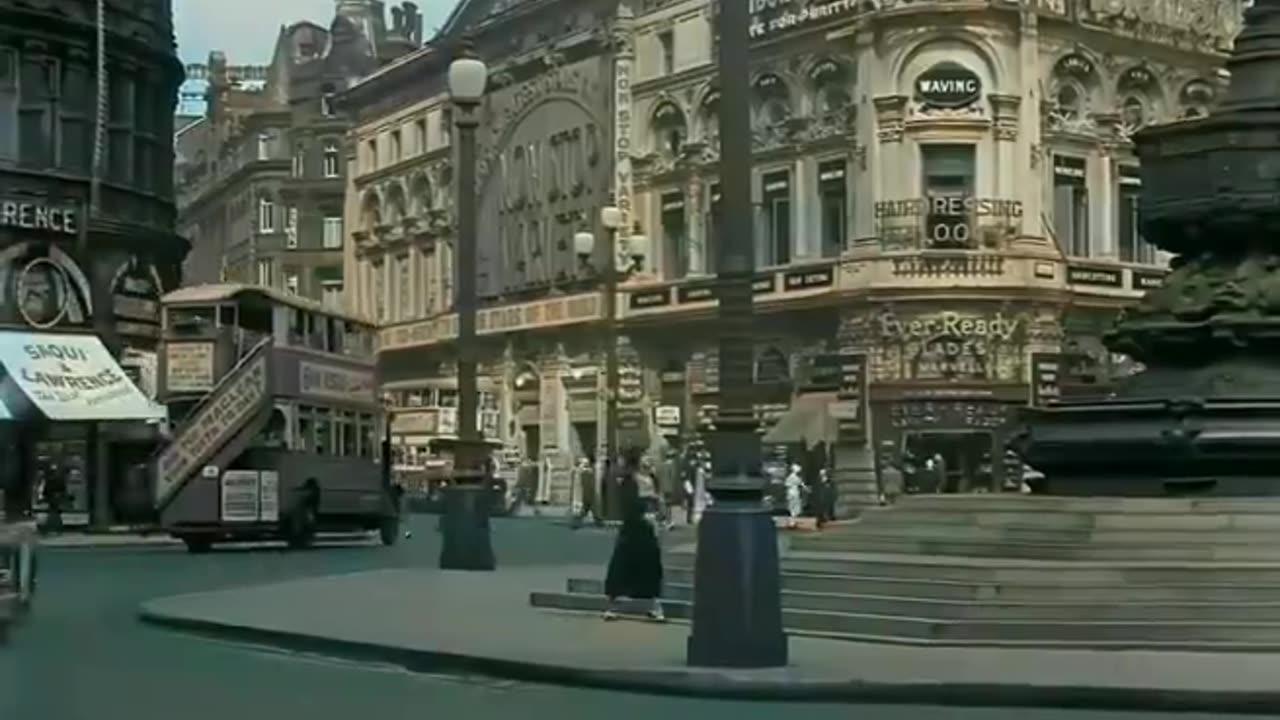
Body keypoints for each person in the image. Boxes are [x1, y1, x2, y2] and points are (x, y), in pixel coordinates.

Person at [602, 447, 665, 622]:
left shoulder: (652, 479)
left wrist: (659, 515)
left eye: (651, 458)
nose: (649, 461)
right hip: (633, 528)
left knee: (652, 568)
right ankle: (611, 606)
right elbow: (628, 504)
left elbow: (659, 501)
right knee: (621, 565)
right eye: (646, 458)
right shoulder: (630, 480)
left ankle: (655, 606)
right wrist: (644, 512)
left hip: (649, 529)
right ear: (638, 462)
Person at [783, 463, 806, 529]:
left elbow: (801, 484)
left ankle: (792, 522)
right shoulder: (792, 477)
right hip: (793, 493)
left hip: (794, 492)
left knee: (794, 507)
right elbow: (787, 484)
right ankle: (792, 522)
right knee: (793, 507)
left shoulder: (796, 477)